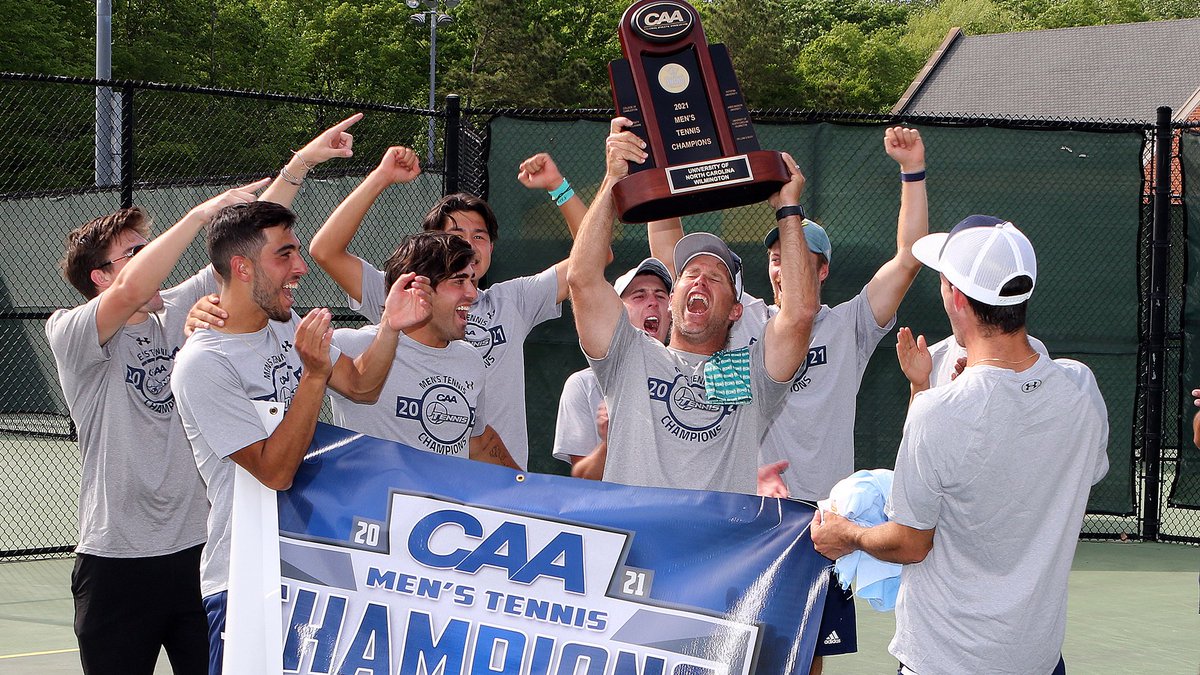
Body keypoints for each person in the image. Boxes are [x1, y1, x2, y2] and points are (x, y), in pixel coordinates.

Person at [46, 114, 362, 675]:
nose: (152, 256)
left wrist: (300, 165)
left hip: (199, 552)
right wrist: (196, 215)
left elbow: (247, 249)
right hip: (118, 558)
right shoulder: (71, 332)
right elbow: (134, 287)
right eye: (135, 250)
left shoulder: (181, 313)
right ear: (101, 277)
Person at [811, 216, 1110, 675]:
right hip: (1039, 659)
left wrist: (843, 534)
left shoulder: (942, 411)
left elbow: (910, 541)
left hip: (944, 661)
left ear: (954, 296)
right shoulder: (1081, 388)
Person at [170, 200, 431, 675]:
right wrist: (311, 377)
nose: (301, 267)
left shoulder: (286, 326)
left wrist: (391, 327)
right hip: (245, 580)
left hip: (314, 569)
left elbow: (361, 386)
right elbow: (274, 471)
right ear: (242, 268)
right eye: (285, 255)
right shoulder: (203, 363)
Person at [648, 126, 928, 502]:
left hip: (828, 512)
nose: (782, 270)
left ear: (822, 270)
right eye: (776, 260)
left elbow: (909, 257)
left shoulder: (850, 326)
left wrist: (913, 170)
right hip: (755, 503)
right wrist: (661, 165)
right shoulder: (743, 317)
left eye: (795, 259)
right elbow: (674, 262)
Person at [568, 115, 818, 493]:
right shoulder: (631, 355)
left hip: (717, 549)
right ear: (671, 300)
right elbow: (582, 280)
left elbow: (798, 314)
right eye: (690, 273)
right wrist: (613, 180)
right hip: (638, 547)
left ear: (736, 310)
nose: (700, 279)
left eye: (716, 277)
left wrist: (787, 208)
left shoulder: (746, 373)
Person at [309, 146, 586, 469]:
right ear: (433, 244)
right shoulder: (400, 293)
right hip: (403, 490)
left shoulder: (514, 300)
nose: (468, 243)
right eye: (456, 234)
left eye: (479, 236)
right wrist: (381, 177)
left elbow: (590, 261)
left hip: (492, 485)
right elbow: (325, 251)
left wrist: (558, 186)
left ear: (492, 247)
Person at [328, 231, 518, 467]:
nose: (471, 293)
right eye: (459, 281)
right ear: (415, 287)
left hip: (443, 504)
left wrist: (528, 491)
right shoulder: (351, 346)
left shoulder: (470, 359)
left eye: (472, 281)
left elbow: (478, 443)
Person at [552, 257, 672, 479]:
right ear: (617, 312)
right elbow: (582, 478)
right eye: (639, 296)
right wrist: (611, 440)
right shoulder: (582, 385)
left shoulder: (688, 382)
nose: (653, 302)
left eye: (661, 295)